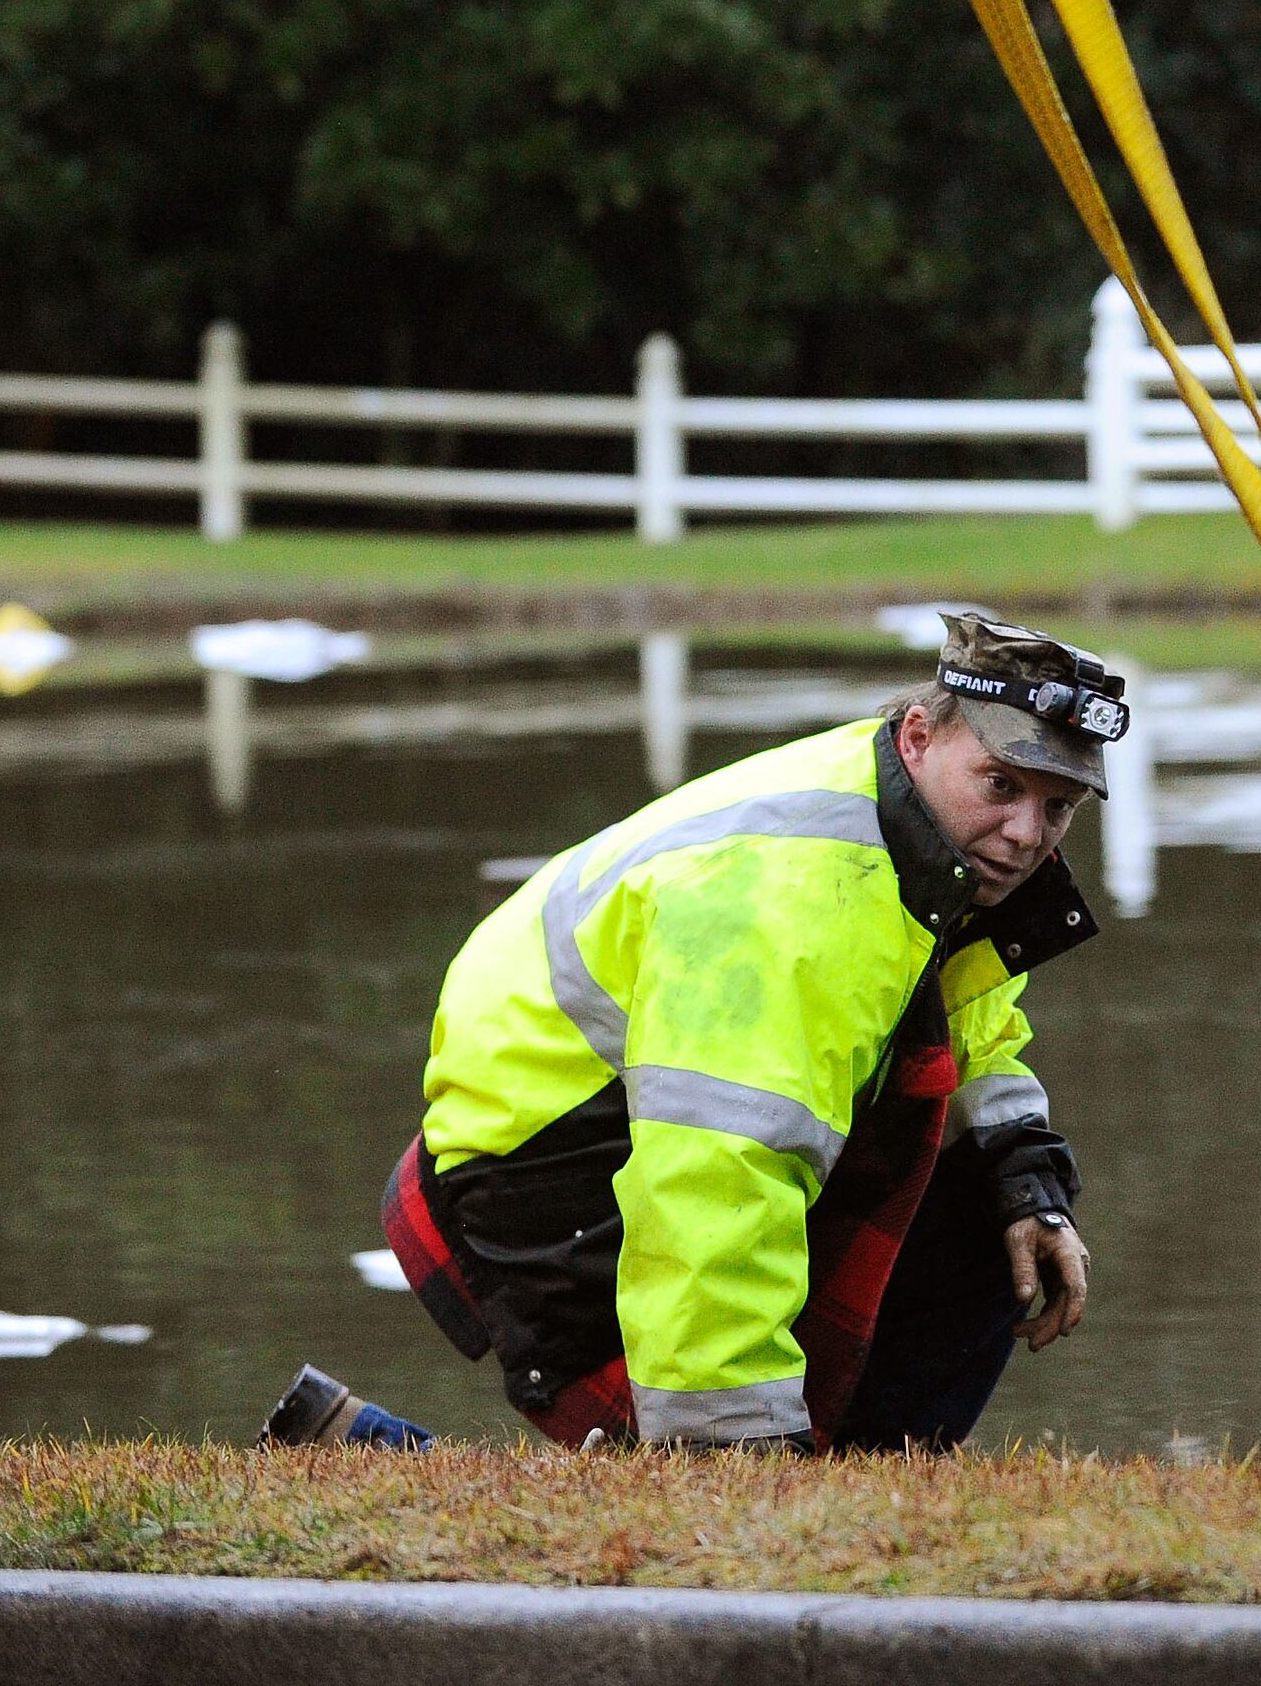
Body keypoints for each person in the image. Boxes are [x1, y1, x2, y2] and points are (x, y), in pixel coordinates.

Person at [272, 613, 1129, 1452]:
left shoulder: (926, 838)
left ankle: (852, 1488)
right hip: (545, 1161)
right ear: (916, 736)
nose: (1026, 835)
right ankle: (781, 1478)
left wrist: (1027, 1182)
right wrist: (734, 1448)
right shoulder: (795, 901)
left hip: (642, 1126)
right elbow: (718, 1173)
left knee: (987, 1202)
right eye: (1002, 786)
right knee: (713, 1474)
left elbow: (968, 1016)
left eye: (1059, 807)